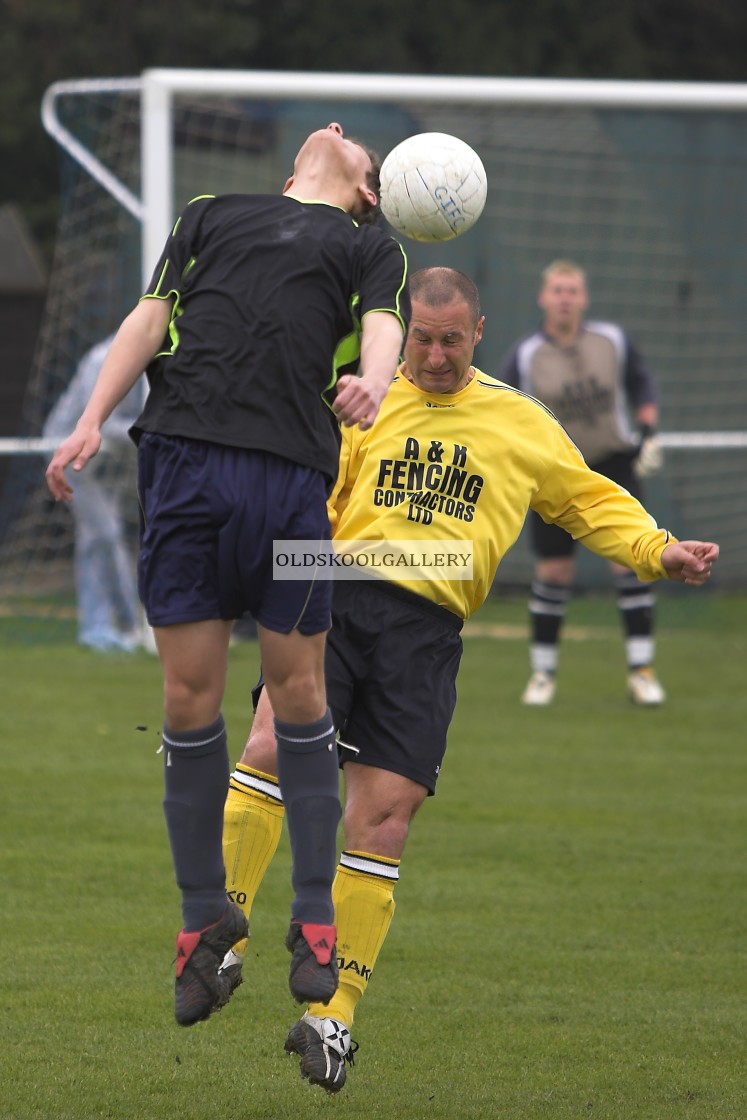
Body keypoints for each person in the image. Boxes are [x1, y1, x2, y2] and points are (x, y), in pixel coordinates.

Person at [217, 266, 718, 1093]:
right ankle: (220, 935)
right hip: (333, 592)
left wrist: (655, 548)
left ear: (479, 332)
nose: (437, 355)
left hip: (426, 634)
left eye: (452, 339)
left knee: (383, 820)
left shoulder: (519, 421)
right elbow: (298, 491)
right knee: (275, 739)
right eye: (421, 338)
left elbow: (586, 498)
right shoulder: (361, 400)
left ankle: (331, 1016)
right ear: (400, 331)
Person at [45, 123, 410, 1028]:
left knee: (297, 694)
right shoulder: (210, 213)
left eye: (357, 144)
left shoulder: (370, 243)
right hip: (179, 465)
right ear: (292, 168)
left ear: (364, 187)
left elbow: (382, 326)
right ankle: (201, 923)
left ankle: (314, 918)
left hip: (288, 481)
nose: (339, 132)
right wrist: (91, 418)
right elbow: (148, 316)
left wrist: (371, 381)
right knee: (186, 703)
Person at [499, 259, 667, 708]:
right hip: (554, 473)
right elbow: (500, 405)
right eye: (558, 290)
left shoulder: (611, 341)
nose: (565, 298)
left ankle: (642, 672)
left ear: (584, 299)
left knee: (632, 561)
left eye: (572, 290)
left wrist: (648, 431)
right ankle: (542, 675)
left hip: (613, 465)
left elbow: (642, 386)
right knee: (553, 573)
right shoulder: (526, 353)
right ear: (543, 298)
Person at [43, 334, 143, 651]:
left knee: (96, 539)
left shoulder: (156, 361)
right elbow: (96, 425)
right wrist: (155, 428)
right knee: (106, 534)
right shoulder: (105, 358)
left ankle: (101, 625)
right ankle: (127, 625)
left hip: (114, 458)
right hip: (72, 454)